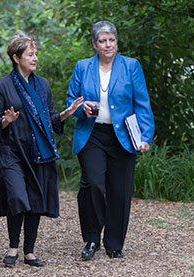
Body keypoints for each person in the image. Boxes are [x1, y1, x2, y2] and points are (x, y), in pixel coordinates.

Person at [0, 31, 83, 267]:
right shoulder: (3, 85)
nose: (35, 58)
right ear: (15, 57)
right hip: (11, 151)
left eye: (36, 54)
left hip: (37, 152)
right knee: (17, 196)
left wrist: (65, 114)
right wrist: (6, 121)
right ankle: (13, 247)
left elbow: (50, 118)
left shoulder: (43, 85)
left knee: (34, 199)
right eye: (30, 54)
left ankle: (29, 251)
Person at [66, 20, 154, 260]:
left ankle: (114, 244)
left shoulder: (131, 66)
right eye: (102, 41)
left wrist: (145, 137)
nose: (108, 45)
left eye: (111, 40)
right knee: (92, 184)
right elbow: (70, 100)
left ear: (117, 42)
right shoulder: (83, 67)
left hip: (123, 136)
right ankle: (92, 239)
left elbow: (142, 103)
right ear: (95, 44)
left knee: (120, 191)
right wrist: (81, 106)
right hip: (92, 135)